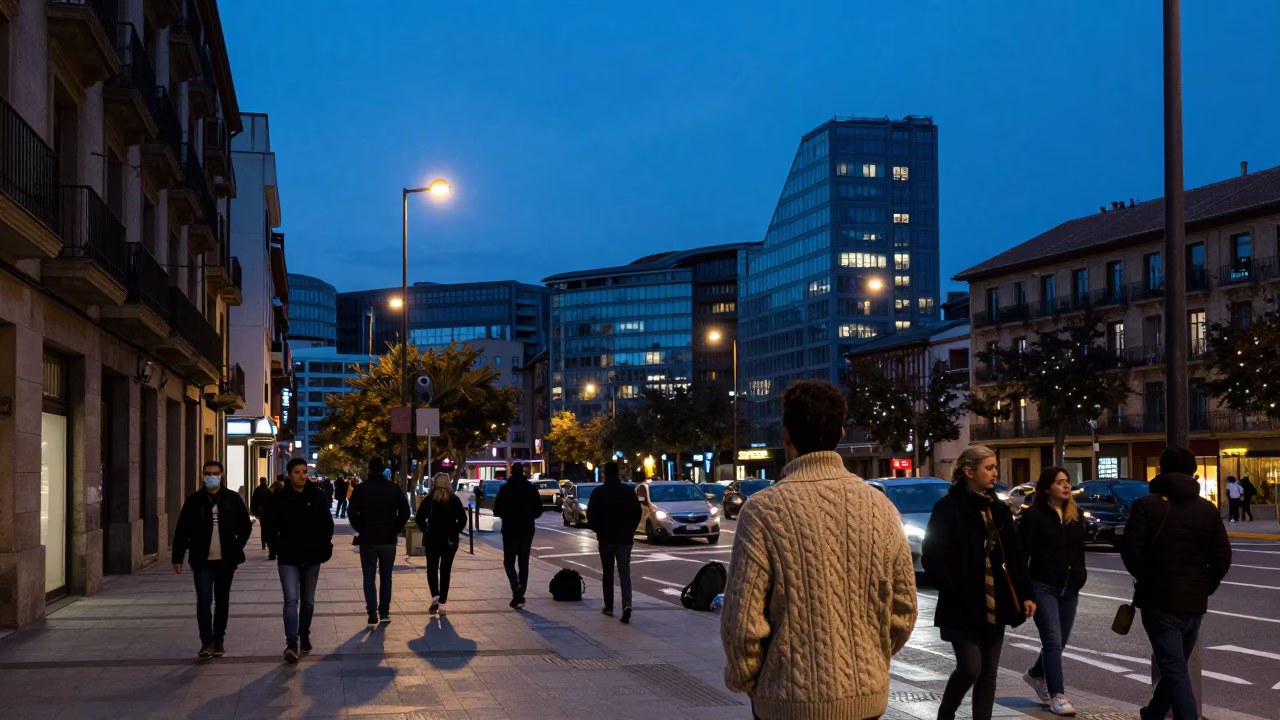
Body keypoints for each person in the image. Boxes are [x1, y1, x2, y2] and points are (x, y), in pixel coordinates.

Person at [721, 380, 917, 720]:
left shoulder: (763, 510)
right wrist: (870, 661)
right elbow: (904, 608)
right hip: (865, 699)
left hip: (787, 701)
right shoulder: (880, 507)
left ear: (786, 436)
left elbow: (741, 621)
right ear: (841, 433)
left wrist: (754, 681)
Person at [923, 445, 1035, 720]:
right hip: (961, 604)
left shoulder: (997, 508)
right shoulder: (948, 507)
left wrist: (1026, 594)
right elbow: (932, 556)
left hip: (994, 602)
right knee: (971, 668)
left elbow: (1015, 554)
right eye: (989, 467)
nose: (995, 472)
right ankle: (946, 713)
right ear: (969, 472)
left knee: (988, 672)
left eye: (995, 467)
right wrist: (953, 588)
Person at [1122, 446, 1232, 720]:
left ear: (1161, 470)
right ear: (1193, 472)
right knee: (1176, 666)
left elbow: (1130, 550)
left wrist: (1147, 579)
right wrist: (1206, 585)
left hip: (1159, 600)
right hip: (1194, 601)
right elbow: (1222, 556)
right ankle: (1154, 713)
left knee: (1173, 667)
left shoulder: (1146, 505)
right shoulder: (1207, 509)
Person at [1018, 466, 1087, 716]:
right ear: (1047, 488)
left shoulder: (1075, 515)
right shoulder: (1034, 515)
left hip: (1070, 588)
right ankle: (1058, 695)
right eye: (1059, 482)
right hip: (1043, 587)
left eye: (1067, 482)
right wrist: (1026, 593)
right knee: (1053, 641)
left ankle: (1036, 673)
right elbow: (1021, 555)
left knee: (1060, 642)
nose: (1066, 486)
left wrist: (1080, 575)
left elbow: (1079, 551)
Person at [172, 461, 251, 660]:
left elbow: (245, 525)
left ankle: (218, 641)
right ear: (202, 475)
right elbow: (182, 529)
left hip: (226, 560)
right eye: (207, 473)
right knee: (204, 601)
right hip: (201, 560)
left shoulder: (232, 499)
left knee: (222, 600)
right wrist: (178, 557)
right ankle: (206, 643)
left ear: (222, 475)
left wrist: (236, 545)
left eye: (215, 473)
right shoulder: (194, 501)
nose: (211, 476)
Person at [269, 458, 335, 663]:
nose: (302, 475)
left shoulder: (317, 496)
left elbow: (327, 523)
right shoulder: (280, 497)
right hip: (288, 556)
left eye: (304, 471)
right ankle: (291, 642)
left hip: (312, 555)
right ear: (289, 474)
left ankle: (304, 632)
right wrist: (276, 546)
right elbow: (270, 525)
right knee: (290, 599)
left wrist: (324, 545)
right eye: (297, 472)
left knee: (308, 600)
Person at [348, 457, 410, 627]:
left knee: (368, 577)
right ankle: (384, 610)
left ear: (369, 468)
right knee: (386, 576)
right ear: (383, 469)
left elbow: (351, 512)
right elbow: (405, 511)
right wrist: (395, 528)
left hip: (368, 539)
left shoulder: (361, 489)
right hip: (388, 539)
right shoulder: (393, 489)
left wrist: (361, 528)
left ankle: (371, 611)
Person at [587, 460, 642, 623]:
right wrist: (631, 528)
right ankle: (627, 604)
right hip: (624, 538)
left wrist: (599, 530)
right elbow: (637, 512)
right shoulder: (628, 491)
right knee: (625, 572)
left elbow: (591, 516)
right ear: (618, 472)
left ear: (605, 473)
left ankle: (609, 606)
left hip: (606, 538)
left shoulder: (598, 492)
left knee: (608, 573)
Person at [492, 461, 543, 608]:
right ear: (524, 472)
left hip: (510, 530)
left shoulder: (505, 489)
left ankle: (516, 587)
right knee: (523, 562)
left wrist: (507, 516)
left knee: (509, 561)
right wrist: (529, 517)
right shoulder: (531, 489)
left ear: (512, 472)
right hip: (526, 529)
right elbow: (539, 509)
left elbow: (497, 509)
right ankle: (520, 591)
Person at [416, 473, 469, 615]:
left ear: (435, 483)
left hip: (433, 539)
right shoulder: (454, 499)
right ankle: (442, 603)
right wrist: (454, 531)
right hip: (449, 541)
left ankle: (435, 597)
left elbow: (419, 518)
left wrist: (426, 530)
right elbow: (463, 519)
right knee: (446, 570)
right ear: (448, 482)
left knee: (432, 569)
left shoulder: (429, 500)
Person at [250, 477, 272, 550]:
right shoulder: (268, 490)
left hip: (261, 512)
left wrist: (253, 511)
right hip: (267, 512)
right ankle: (266, 542)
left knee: (263, 527)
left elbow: (253, 501)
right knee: (267, 527)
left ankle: (263, 543)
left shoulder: (257, 490)